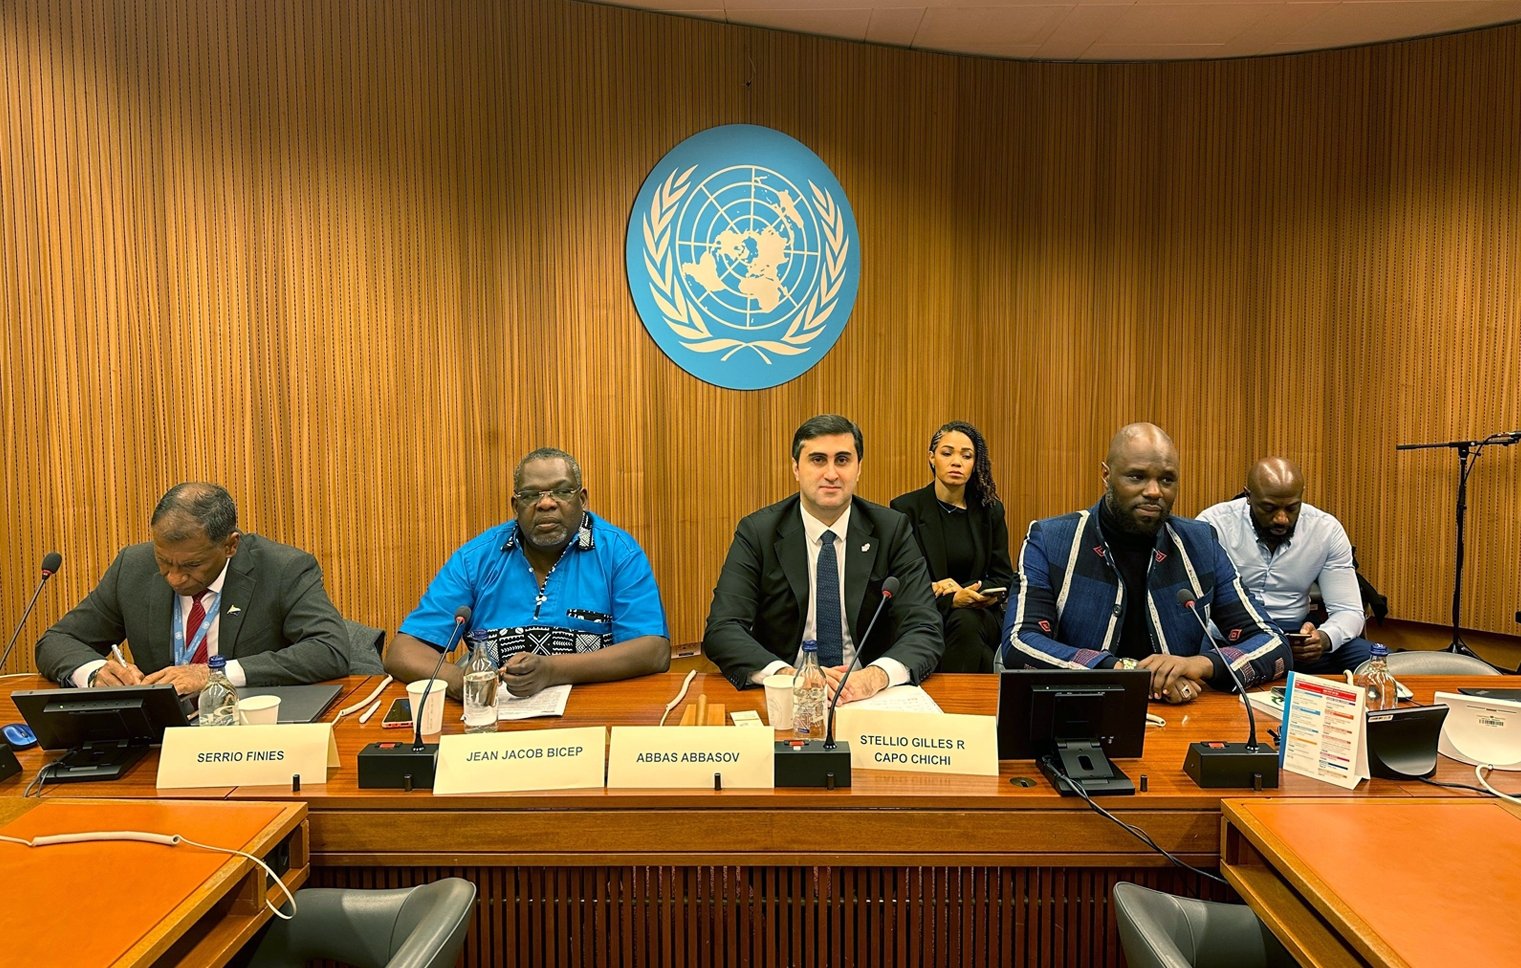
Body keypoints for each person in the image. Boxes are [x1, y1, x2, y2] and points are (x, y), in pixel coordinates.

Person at [999, 423, 1289, 703]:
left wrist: (1199, 665)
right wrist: (1125, 673)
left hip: (1179, 715)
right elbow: (1020, 643)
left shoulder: (1200, 544)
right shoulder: (1051, 540)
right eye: (1137, 477)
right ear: (1106, 475)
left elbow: (1273, 644)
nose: (1154, 491)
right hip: (1076, 709)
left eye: (1166, 479)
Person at [386, 447, 670, 699]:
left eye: (561, 491)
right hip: (496, 722)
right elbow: (404, 651)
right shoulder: (476, 559)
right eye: (531, 495)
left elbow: (653, 650)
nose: (546, 503)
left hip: (593, 713)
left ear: (582, 499)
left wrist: (552, 670)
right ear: (515, 506)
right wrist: (458, 681)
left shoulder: (618, 553)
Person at [703, 414, 944, 703]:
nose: (831, 474)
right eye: (818, 460)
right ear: (796, 468)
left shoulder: (892, 530)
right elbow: (723, 629)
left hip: (870, 696)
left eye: (842, 460)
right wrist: (786, 676)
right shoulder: (758, 532)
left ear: (858, 469)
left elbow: (924, 627)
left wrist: (875, 676)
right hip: (787, 694)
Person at [35, 482, 349, 694]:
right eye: (164, 561)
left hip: (253, 732)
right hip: (160, 737)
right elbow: (58, 640)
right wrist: (94, 672)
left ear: (230, 545)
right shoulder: (133, 567)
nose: (173, 577)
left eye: (190, 566)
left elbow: (328, 650)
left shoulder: (283, 569)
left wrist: (215, 674)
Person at [1198, 457, 1373, 675]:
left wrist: (1325, 638)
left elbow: (1348, 610)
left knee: (1374, 663)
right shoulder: (1214, 524)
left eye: (1292, 508)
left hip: (1296, 639)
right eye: (1269, 508)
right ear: (1248, 496)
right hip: (1232, 638)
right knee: (1197, 672)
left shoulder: (1326, 530)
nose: (1281, 519)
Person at [890, 421, 1014, 673]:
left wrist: (971, 593)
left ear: (974, 464)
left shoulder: (989, 511)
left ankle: (945, 705)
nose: (956, 462)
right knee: (976, 646)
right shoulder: (906, 509)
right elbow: (898, 580)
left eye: (966, 456)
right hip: (926, 609)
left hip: (979, 613)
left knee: (967, 621)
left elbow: (1003, 577)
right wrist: (950, 599)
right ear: (932, 458)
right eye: (947, 453)